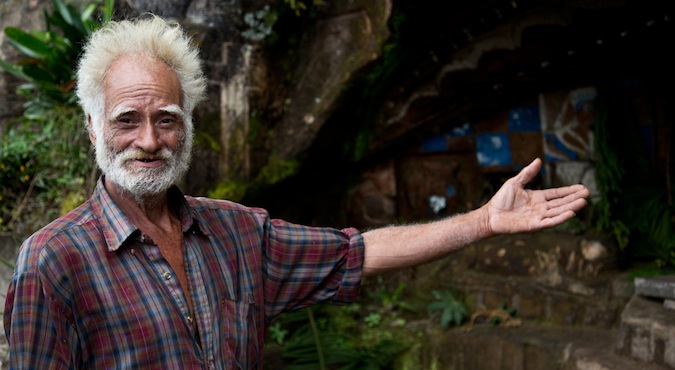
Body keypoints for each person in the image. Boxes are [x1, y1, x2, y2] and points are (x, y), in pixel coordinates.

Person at [3, 15, 590, 369]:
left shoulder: (235, 232)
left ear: (188, 126)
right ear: (93, 126)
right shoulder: (52, 263)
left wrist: (483, 222)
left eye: (169, 118)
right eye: (128, 118)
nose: (150, 140)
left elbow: (356, 254)